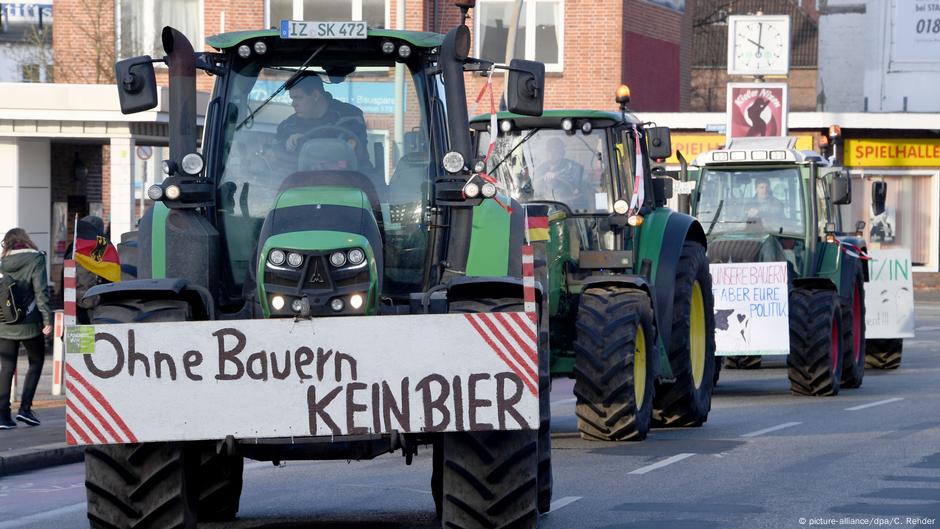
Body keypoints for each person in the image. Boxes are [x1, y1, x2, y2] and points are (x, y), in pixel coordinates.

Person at [0, 228, 52, 429]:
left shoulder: (4, 262)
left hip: (5, 320)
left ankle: (3, 416)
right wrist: (48, 320)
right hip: (30, 322)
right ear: (26, 240)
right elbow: (41, 291)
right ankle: (25, 410)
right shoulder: (36, 259)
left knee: (7, 367)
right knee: (36, 361)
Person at [272, 75, 370, 169]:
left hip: (351, 179)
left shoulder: (349, 116)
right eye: (292, 99)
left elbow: (350, 150)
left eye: (298, 98)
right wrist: (284, 146)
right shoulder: (288, 126)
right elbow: (278, 159)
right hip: (303, 182)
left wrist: (304, 140)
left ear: (315, 95)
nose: (293, 104)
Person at [536, 137, 585, 206]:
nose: (551, 153)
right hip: (544, 206)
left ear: (562, 152)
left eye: (555, 150)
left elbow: (579, 187)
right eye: (549, 150)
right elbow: (535, 187)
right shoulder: (540, 169)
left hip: (568, 207)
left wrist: (557, 174)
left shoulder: (573, 167)